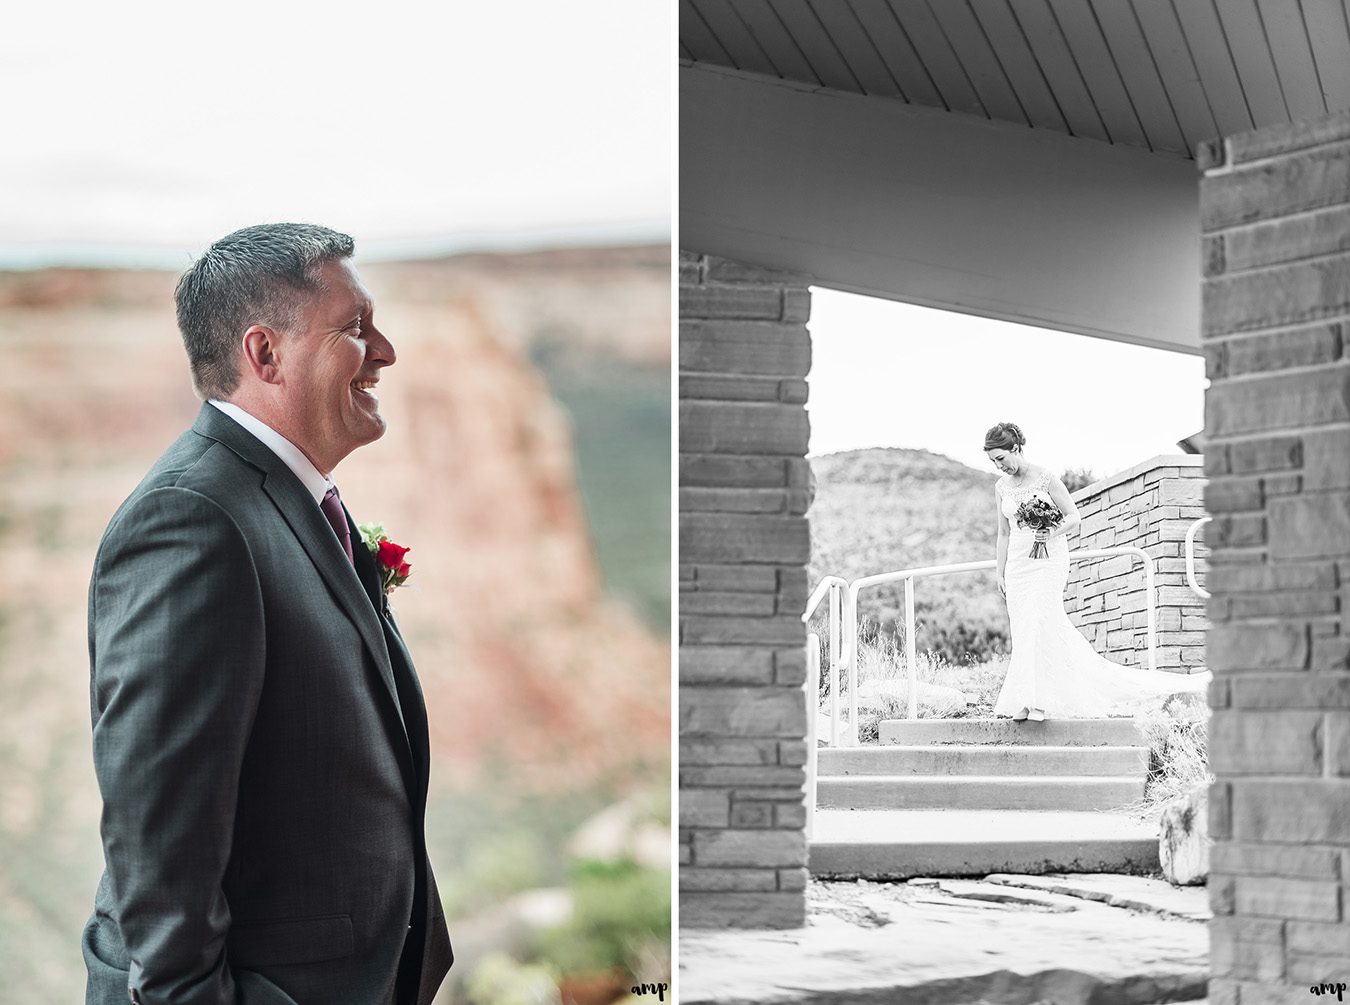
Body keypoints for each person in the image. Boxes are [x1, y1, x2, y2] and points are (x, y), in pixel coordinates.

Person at [81, 223, 453, 1005]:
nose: (385, 351)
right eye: (356, 327)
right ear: (266, 355)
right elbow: (159, 840)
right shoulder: (190, 520)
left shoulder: (288, 499)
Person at [986, 421, 1209, 720]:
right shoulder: (1001, 488)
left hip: (1048, 558)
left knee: (1039, 620)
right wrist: (1000, 572)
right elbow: (1003, 533)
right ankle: (1026, 698)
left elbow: (1073, 517)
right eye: (993, 462)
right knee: (1025, 627)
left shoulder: (1046, 478)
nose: (999, 466)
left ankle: (1038, 701)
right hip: (1018, 564)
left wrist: (1047, 533)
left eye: (1001, 459)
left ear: (1016, 448)